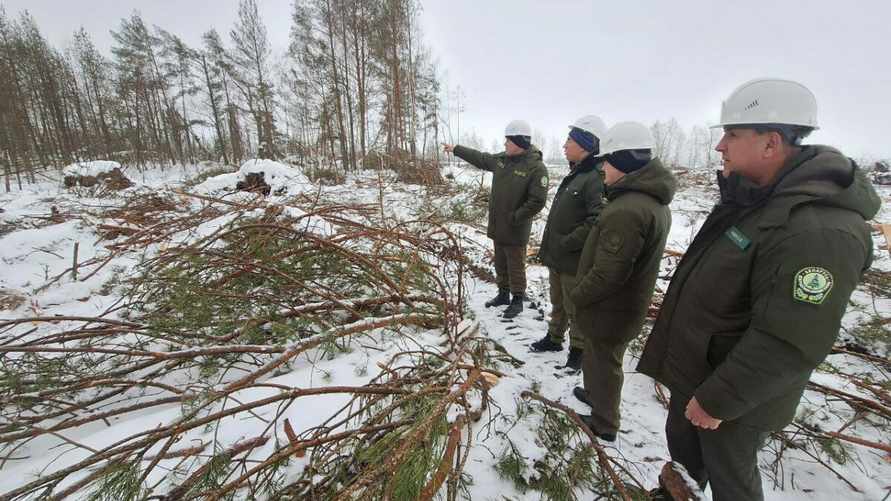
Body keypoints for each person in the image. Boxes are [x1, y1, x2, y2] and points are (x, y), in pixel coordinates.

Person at [637, 78, 880, 500]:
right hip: (700, 374)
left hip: (734, 395)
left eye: (732, 134)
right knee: (687, 460)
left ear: (770, 143)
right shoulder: (756, 201)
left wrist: (719, 399)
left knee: (730, 477)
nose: (720, 146)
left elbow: (790, 340)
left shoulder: (818, 228)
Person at [567, 121, 676, 442]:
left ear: (625, 163)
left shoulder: (627, 210)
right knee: (599, 359)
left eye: (608, 160)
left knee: (605, 362)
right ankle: (596, 396)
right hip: (621, 306)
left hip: (610, 309)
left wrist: (578, 294)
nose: (602, 167)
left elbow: (608, 273)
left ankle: (604, 422)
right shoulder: (648, 202)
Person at [442, 120, 548, 318]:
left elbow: (537, 201)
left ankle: (517, 299)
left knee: (515, 266)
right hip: (499, 225)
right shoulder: (502, 160)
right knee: (500, 263)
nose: (505, 144)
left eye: (508, 141)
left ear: (519, 142)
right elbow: (480, 158)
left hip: (515, 228)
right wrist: (456, 149)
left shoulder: (536, 168)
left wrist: (516, 217)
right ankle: (503, 294)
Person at [531, 115, 607, 370]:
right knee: (558, 302)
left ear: (585, 145)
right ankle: (554, 338)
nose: (564, 146)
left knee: (575, 306)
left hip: (575, 258)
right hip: (559, 256)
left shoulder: (595, 177)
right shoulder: (578, 174)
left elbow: (597, 219)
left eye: (569, 141)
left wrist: (567, 242)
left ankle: (578, 350)